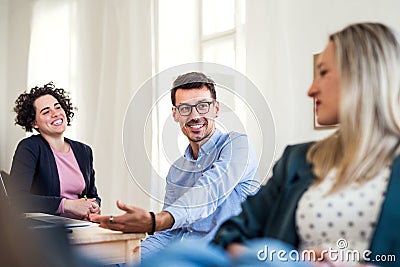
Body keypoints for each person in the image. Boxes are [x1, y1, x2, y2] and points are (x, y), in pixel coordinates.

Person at [210, 22, 400, 266]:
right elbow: (230, 235)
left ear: (362, 74)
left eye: (323, 72)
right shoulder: (298, 160)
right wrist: (282, 260)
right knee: (178, 256)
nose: (311, 90)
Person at [90, 72, 261, 259]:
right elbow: (168, 234)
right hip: (188, 257)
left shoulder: (238, 145)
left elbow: (209, 191)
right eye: (185, 108)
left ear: (216, 109)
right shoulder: (176, 171)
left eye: (203, 106)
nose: (195, 116)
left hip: (231, 257)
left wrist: (156, 221)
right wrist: (127, 260)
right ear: (175, 114)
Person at [9, 82, 101, 219]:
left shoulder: (84, 151)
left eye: (58, 107)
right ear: (34, 123)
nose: (55, 113)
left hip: (82, 226)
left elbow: (92, 195)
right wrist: (66, 205)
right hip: (46, 232)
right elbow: (18, 199)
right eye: (46, 111)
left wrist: (94, 206)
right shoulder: (29, 148)